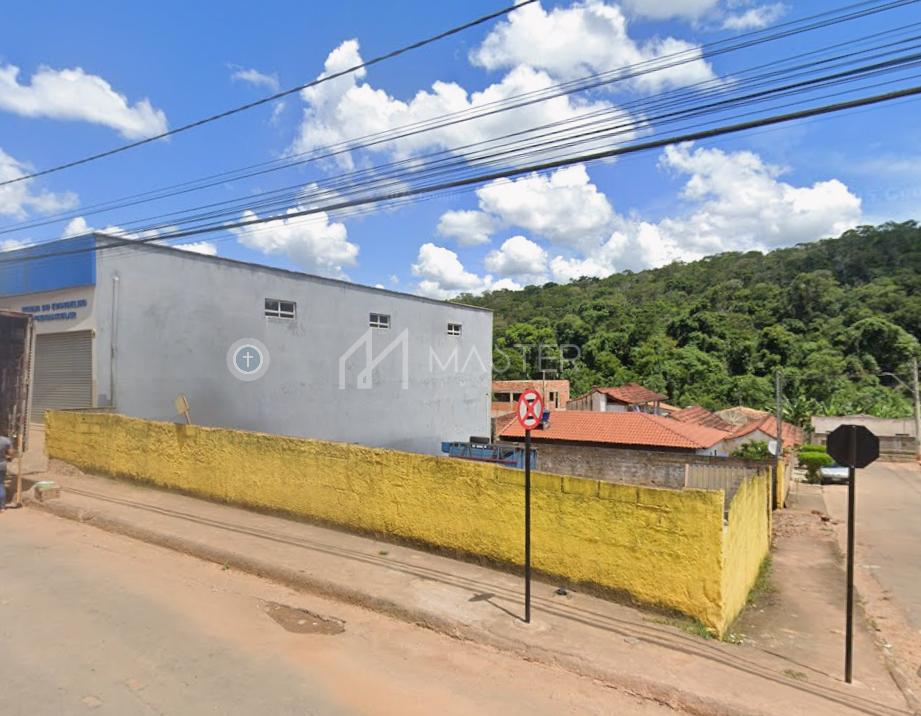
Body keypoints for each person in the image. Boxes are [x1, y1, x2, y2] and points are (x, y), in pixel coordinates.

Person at [0, 434, 13, 512]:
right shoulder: (5, 440)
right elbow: (11, 453)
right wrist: (8, 457)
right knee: (1, 484)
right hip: (2, 465)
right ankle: (2, 507)